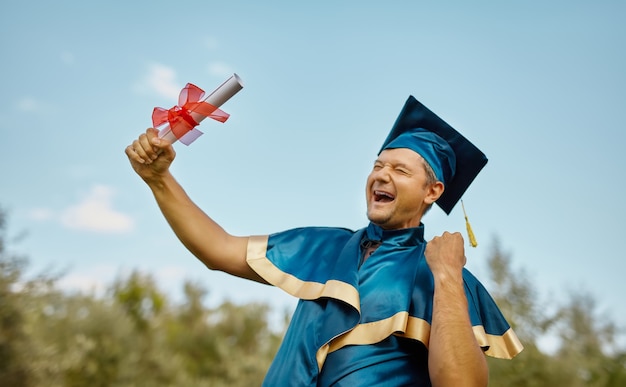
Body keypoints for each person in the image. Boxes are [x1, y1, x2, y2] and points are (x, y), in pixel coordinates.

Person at [125, 95, 523, 386]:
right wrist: (159, 180)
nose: (381, 175)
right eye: (377, 165)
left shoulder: (438, 274)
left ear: (432, 192)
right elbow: (218, 250)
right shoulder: (326, 247)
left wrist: (449, 276)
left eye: (400, 170)